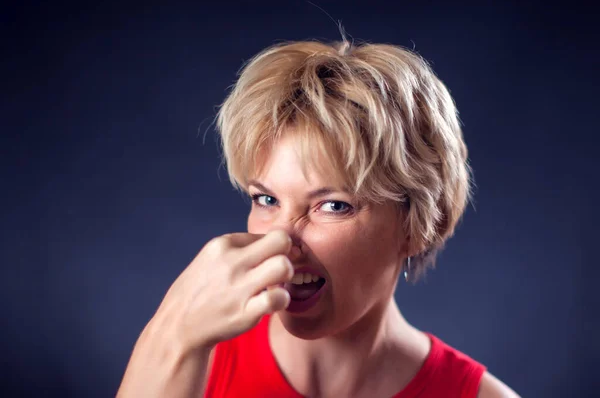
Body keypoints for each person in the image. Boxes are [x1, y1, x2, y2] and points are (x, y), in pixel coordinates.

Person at [117, 38, 519, 397]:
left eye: (333, 205)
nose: (280, 241)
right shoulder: (188, 360)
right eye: (266, 199)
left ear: (417, 225)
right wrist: (174, 338)